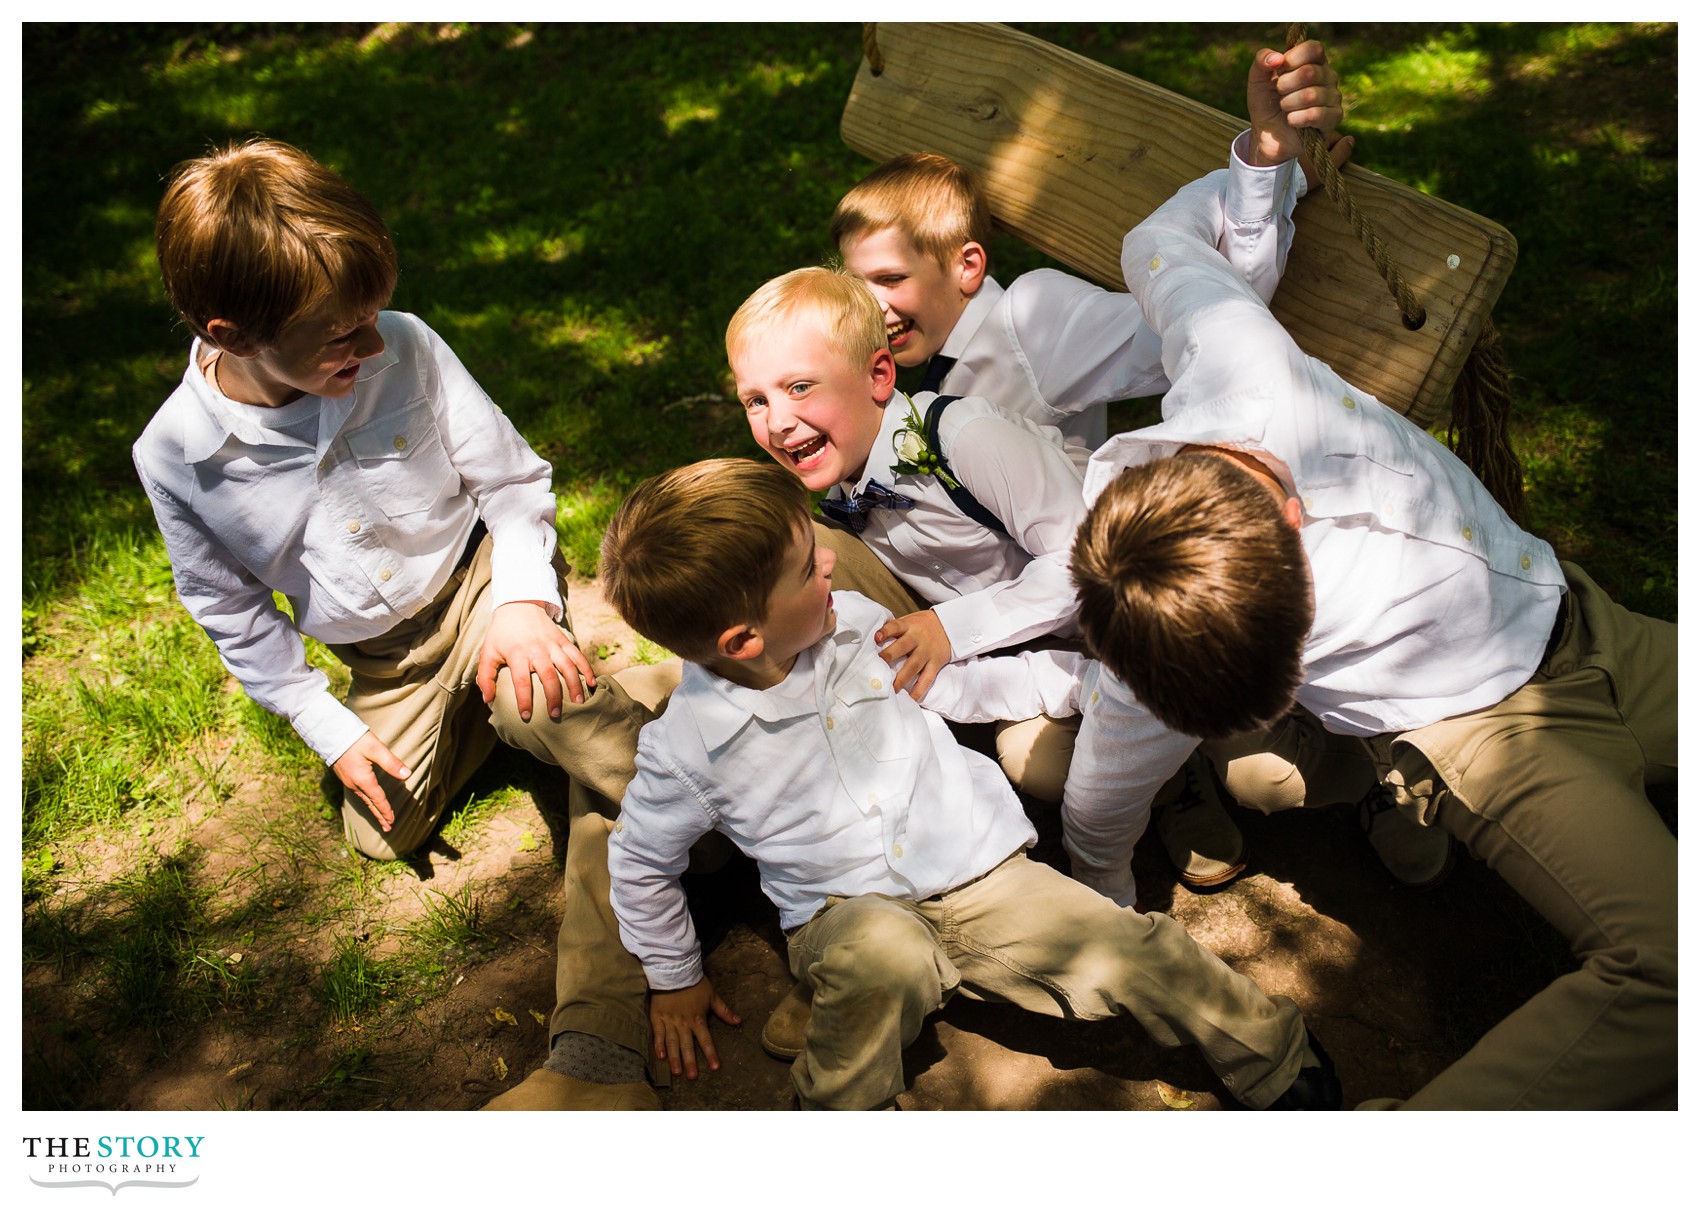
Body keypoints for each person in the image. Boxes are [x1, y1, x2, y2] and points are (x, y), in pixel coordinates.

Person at [1064, 161, 1677, 1108]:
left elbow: (1157, 245)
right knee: (1671, 970)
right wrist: (1101, 893)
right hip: (1488, 737)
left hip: (1590, 620)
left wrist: (1264, 159)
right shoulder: (1145, 633)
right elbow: (1107, 778)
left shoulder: (1244, 361)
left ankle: (1376, 796)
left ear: (1295, 523)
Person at [597, 456, 1341, 1111]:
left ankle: (1271, 1054)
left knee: (1137, 948)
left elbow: (949, 687)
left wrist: (1079, 681)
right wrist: (674, 977)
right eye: (804, 567)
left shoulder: (853, 621)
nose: (829, 562)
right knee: (883, 956)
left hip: (983, 876)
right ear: (742, 642)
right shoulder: (687, 749)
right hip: (846, 912)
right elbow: (639, 863)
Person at [828, 41, 1351, 889]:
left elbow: (1214, 318)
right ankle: (1168, 776)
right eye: (857, 284)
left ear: (966, 266)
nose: (872, 307)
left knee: (1267, 776)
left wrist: (1266, 170)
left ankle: (1322, 770)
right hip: (1034, 622)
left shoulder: (1031, 321)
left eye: (890, 278)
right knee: (1035, 764)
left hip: (1129, 585)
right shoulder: (879, 375)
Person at [133, 137, 660, 866]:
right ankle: (495, 709)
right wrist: (331, 728)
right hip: (388, 659)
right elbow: (231, 612)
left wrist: (518, 605)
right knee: (381, 836)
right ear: (234, 335)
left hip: (478, 584)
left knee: (536, 701)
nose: (373, 343)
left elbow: (510, 486)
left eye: (373, 315)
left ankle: (714, 808)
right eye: (344, 334)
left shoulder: (403, 345)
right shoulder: (175, 457)